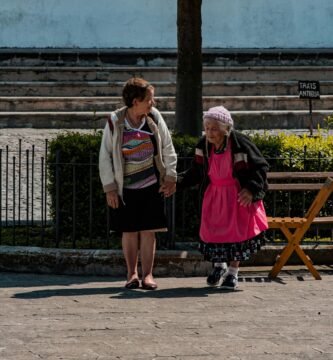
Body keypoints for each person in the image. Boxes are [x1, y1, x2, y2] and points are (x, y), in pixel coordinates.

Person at [178, 106, 269, 290]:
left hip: (236, 195)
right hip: (213, 195)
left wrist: (251, 189)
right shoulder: (202, 145)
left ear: (226, 129)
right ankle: (219, 266)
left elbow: (260, 167)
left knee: (236, 235)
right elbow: (196, 171)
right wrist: (177, 182)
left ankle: (233, 273)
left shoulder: (240, 143)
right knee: (213, 232)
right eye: (207, 128)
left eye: (214, 128)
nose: (210, 132)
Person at [99, 77, 177, 290]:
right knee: (129, 230)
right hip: (126, 187)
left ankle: (148, 275)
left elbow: (168, 146)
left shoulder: (154, 117)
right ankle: (132, 273)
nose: (153, 103)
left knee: (149, 230)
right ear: (136, 101)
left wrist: (171, 176)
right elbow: (105, 155)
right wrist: (110, 188)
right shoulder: (115, 120)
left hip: (152, 184)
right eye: (149, 99)